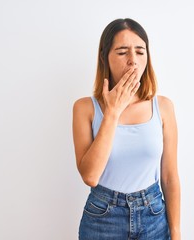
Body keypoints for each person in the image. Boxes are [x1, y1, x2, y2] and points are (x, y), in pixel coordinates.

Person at [72, 18, 180, 240]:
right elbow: (90, 176)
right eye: (122, 52)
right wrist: (112, 111)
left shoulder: (164, 107)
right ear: (105, 57)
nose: (133, 61)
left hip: (153, 216)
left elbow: (169, 177)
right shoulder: (85, 108)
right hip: (103, 218)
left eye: (140, 51)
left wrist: (176, 233)